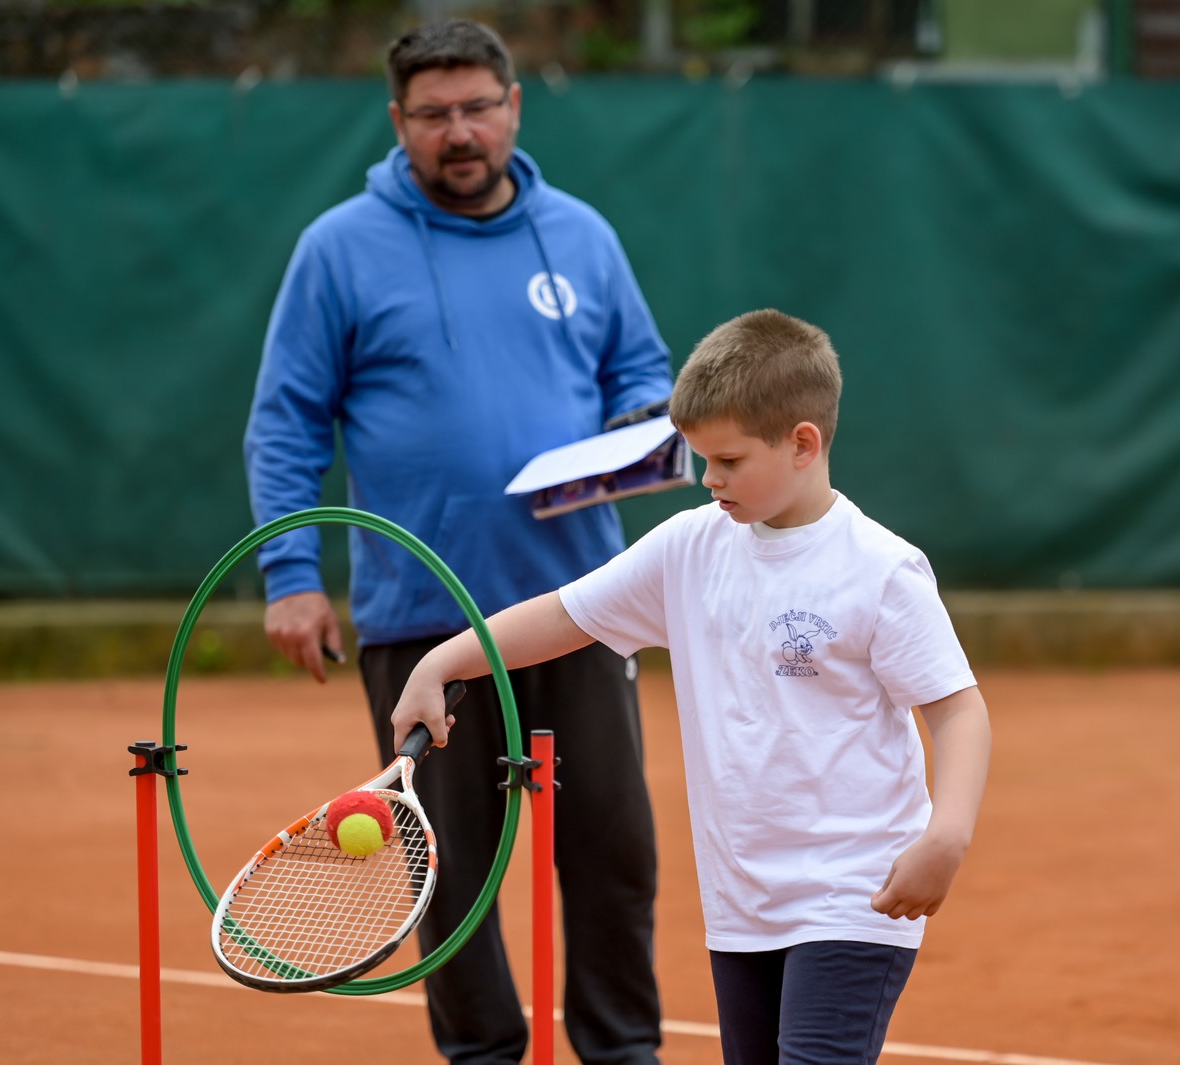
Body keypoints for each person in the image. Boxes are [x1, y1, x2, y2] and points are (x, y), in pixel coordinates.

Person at [390, 309, 993, 1065]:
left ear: (803, 443)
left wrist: (947, 834)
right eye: (701, 458)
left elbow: (958, 710)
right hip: (740, 903)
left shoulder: (881, 569)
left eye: (729, 460)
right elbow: (566, 615)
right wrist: (441, 663)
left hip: (853, 893)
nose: (710, 479)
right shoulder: (689, 546)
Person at [242, 19, 669, 1065]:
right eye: (433, 114)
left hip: (579, 608)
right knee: (448, 871)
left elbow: (642, 371)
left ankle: (624, 1052)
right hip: (421, 623)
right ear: (398, 123)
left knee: (613, 856)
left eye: (478, 107)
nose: (460, 131)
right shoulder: (338, 248)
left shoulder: (582, 235)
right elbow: (286, 420)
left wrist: (634, 429)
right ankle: (481, 1055)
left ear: (513, 107)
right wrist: (291, 575)